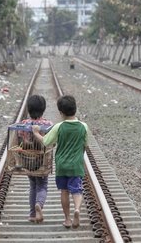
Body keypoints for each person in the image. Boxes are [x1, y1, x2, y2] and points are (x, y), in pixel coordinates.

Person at [32, 95, 90, 229]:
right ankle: (77, 209)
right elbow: (85, 145)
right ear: (75, 109)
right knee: (77, 190)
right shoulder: (83, 127)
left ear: (61, 112)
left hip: (62, 165)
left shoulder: (59, 127)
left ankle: (68, 219)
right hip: (76, 165)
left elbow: (46, 142)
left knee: (64, 191)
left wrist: (36, 133)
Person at [18, 95, 53, 223]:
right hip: (42, 162)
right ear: (43, 109)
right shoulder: (48, 125)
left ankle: (32, 214)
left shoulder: (23, 124)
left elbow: (19, 139)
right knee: (42, 185)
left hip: (28, 161)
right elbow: (52, 141)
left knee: (33, 185)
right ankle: (39, 204)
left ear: (28, 109)